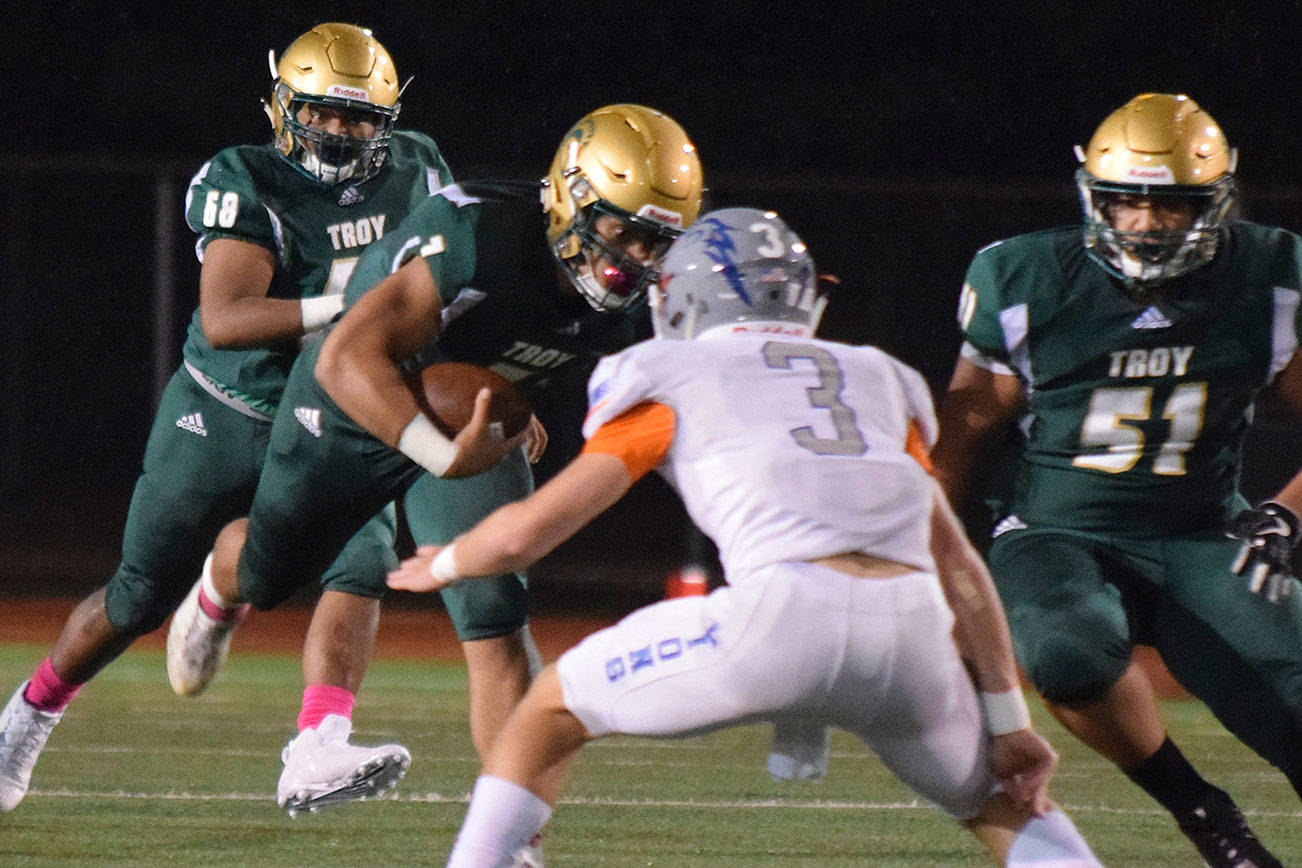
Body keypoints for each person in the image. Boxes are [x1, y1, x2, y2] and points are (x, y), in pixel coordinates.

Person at [387, 207, 1104, 867]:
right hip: (911, 634)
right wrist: (1008, 722)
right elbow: (962, 573)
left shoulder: (667, 370)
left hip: (779, 619)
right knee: (1004, 807)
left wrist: (446, 560)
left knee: (547, 709)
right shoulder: (879, 379)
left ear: (679, 296)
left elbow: (524, 536)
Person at [164, 105, 704, 824]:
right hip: (351, 405)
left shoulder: (649, 301)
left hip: (467, 420)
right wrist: (439, 452)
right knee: (271, 571)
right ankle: (214, 591)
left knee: (494, 614)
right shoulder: (478, 234)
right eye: (620, 230)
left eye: (656, 241)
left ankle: (511, 840)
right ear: (574, 196)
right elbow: (345, 356)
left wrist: (507, 408)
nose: (634, 258)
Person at [0, 22, 454, 814]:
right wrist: (354, 305)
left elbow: (454, 276)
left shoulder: (416, 167)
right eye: (323, 113)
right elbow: (228, 318)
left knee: (364, 556)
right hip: (227, 409)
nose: (340, 133)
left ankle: (318, 745)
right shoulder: (244, 177)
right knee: (136, 596)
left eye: (358, 119)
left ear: (387, 122)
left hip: (341, 407)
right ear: (283, 105)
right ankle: (27, 717)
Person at [930, 92, 1302, 868]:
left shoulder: (1269, 273)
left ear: (1217, 201)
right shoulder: (1025, 275)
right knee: (1066, 653)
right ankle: (1208, 817)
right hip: (1057, 531)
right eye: (1124, 200)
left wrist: (1285, 514)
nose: (1143, 223)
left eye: (1170, 205)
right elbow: (960, 441)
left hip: (1203, 532)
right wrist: (919, 566)